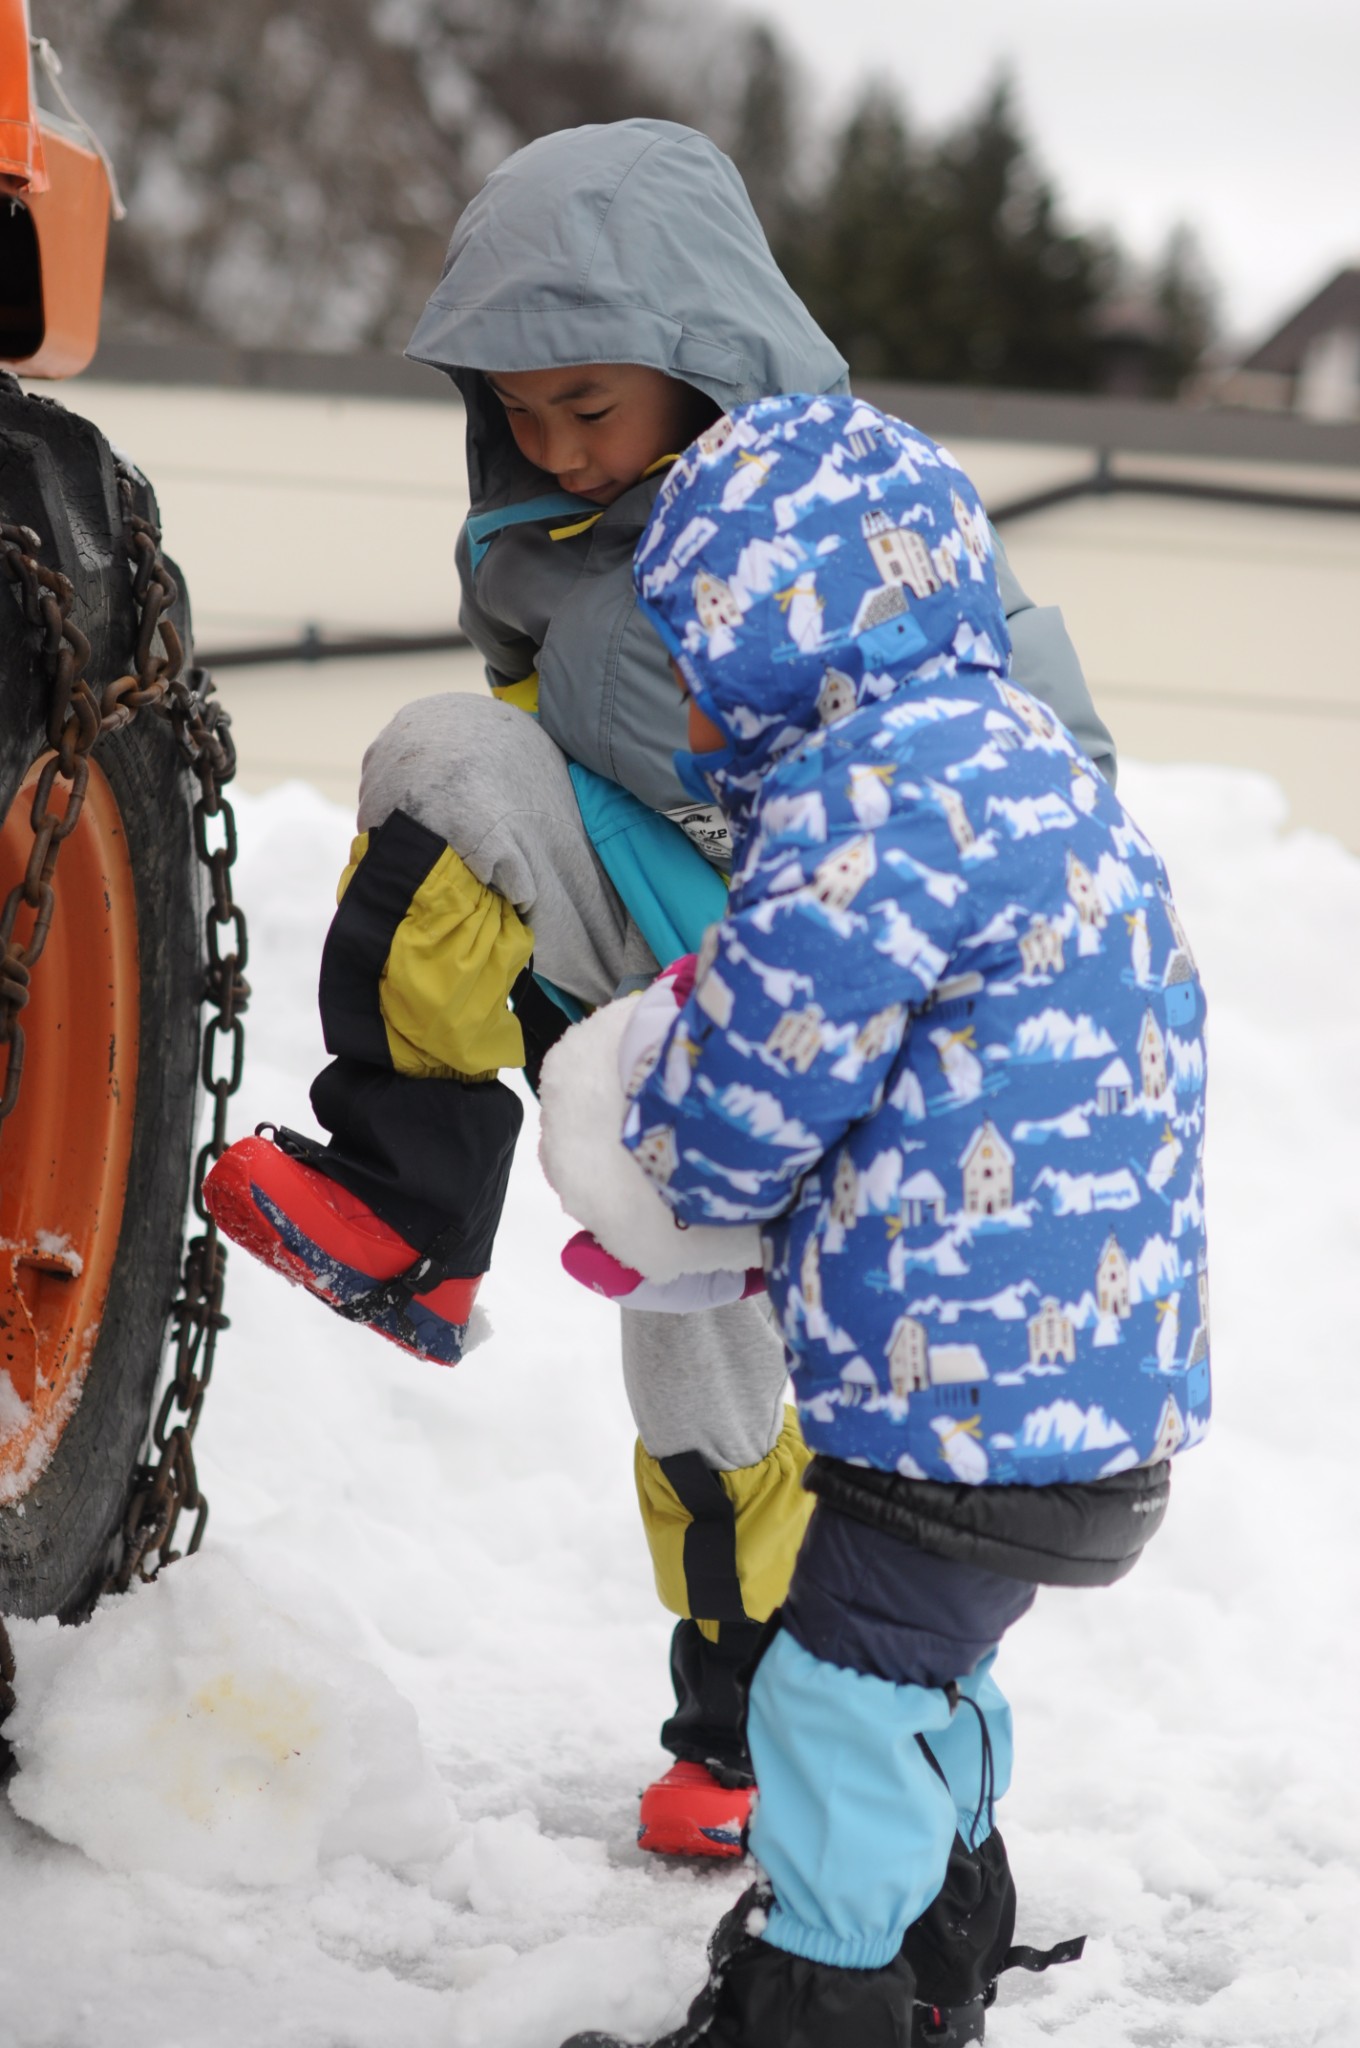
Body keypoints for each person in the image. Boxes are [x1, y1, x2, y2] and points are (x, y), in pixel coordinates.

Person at [203, 118, 1119, 1866]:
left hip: (840, 1036)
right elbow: (563, 759)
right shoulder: (541, 540)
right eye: (516, 411)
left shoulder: (863, 525)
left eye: (588, 406)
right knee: (441, 761)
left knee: (721, 1397)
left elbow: (1043, 762)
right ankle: (409, 1200)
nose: (551, 446)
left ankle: (765, 1734)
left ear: (705, 368)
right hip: (659, 1001)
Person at [551, 392, 1209, 2048]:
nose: (693, 699)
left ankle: (819, 1996)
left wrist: (660, 1132)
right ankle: (941, 1944)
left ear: (764, 628)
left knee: (834, 1692)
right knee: (926, 1668)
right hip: (1097, 1400)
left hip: (954, 1408)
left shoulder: (867, 794)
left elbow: (748, 1094)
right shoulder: (1037, 774)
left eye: (697, 642)